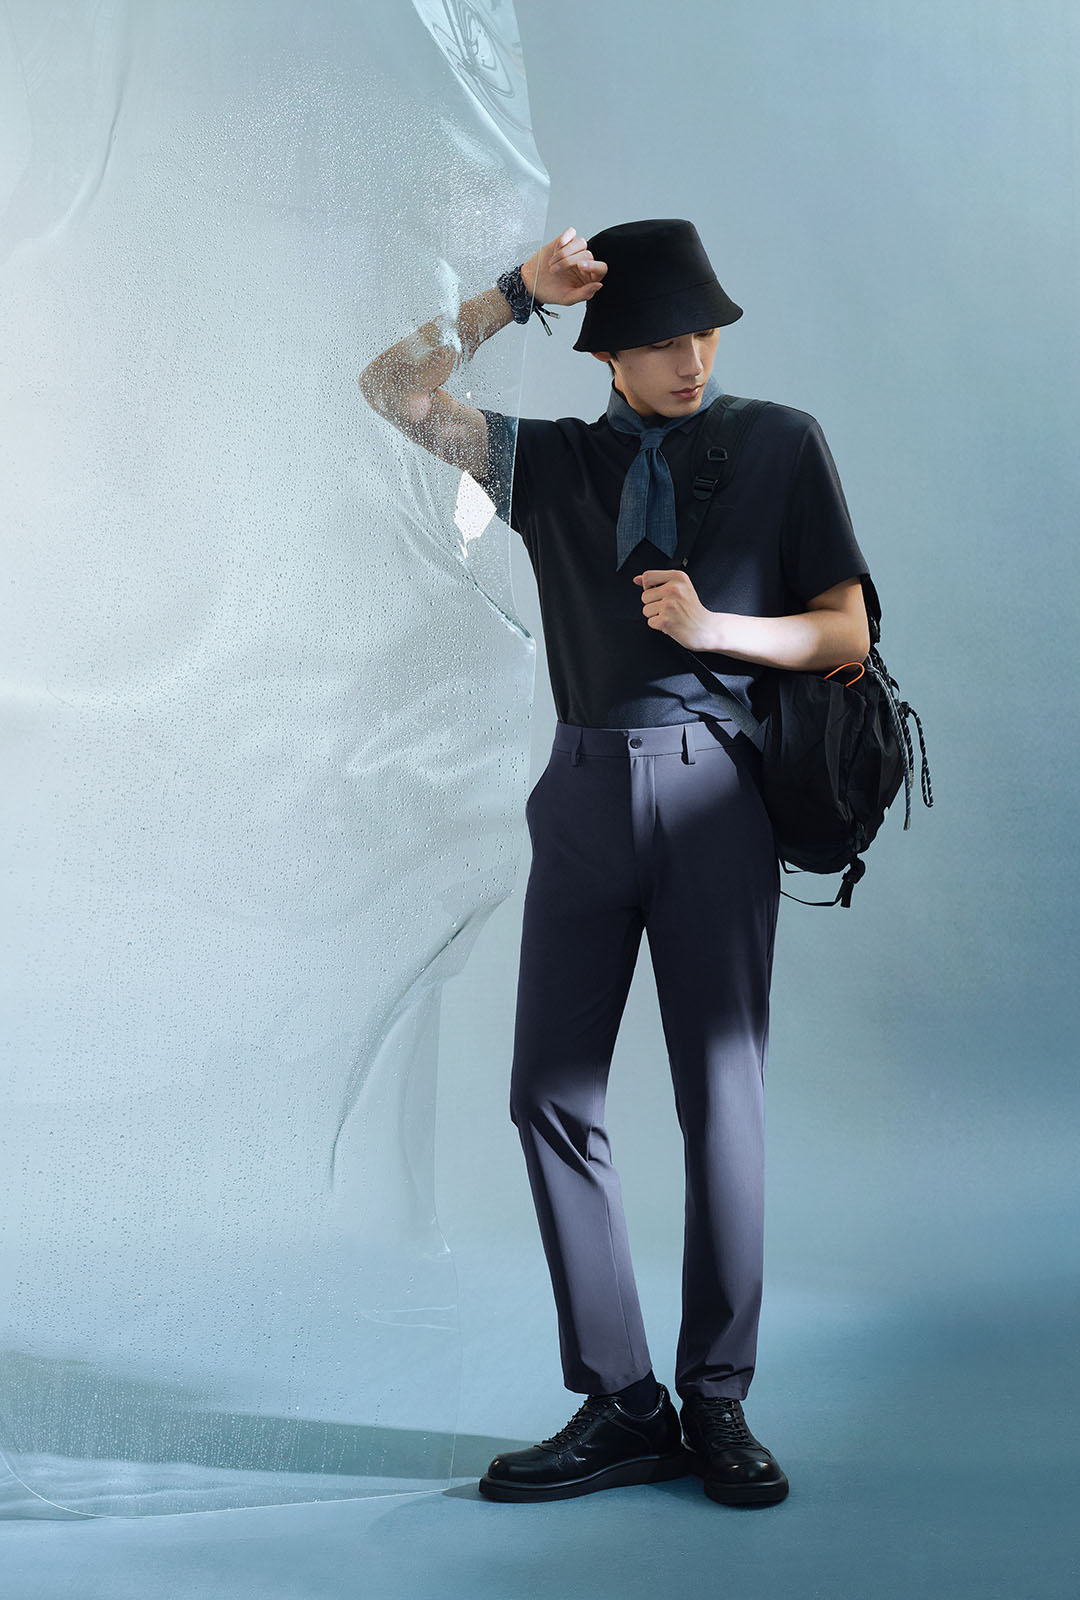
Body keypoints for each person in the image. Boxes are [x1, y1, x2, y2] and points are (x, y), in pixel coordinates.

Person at [359, 219, 870, 1508]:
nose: (691, 359)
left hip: (715, 793)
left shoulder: (781, 443)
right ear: (606, 355)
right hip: (582, 791)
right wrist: (513, 294)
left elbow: (845, 634)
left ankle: (718, 1401)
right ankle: (624, 1402)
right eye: (659, 340)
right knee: (548, 1090)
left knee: (722, 1100)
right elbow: (392, 387)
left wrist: (717, 629)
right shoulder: (550, 464)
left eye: (704, 334)